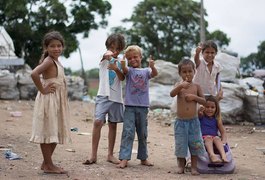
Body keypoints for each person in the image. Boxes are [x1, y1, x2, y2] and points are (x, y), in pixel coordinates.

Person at [30, 31, 71, 174]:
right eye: (52, 46)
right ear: (46, 48)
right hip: (49, 100)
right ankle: (49, 164)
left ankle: (46, 163)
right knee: (49, 130)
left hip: (57, 100)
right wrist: (42, 90)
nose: (56, 49)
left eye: (59, 46)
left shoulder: (57, 61)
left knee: (55, 130)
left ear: (63, 47)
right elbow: (34, 74)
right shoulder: (48, 60)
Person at [83, 34, 126, 165]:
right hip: (103, 95)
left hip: (116, 98)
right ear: (107, 47)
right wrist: (108, 55)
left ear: (121, 49)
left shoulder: (122, 61)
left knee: (113, 125)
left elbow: (122, 78)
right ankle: (93, 155)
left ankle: (110, 155)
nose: (114, 51)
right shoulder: (103, 58)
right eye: (112, 48)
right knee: (97, 122)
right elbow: (105, 55)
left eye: (118, 49)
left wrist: (116, 68)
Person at [116, 45, 158, 169]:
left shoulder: (146, 71)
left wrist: (152, 66)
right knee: (128, 132)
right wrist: (123, 63)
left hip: (143, 107)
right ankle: (124, 158)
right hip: (129, 107)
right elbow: (124, 70)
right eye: (130, 58)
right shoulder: (129, 70)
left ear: (141, 57)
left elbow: (155, 74)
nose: (133, 59)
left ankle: (143, 158)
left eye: (135, 57)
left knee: (143, 133)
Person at [170, 58, 206, 175]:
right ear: (180, 73)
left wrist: (194, 98)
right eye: (184, 72)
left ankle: (194, 167)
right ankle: (181, 165)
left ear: (194, 71)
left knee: (195, 144)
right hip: (180, 122)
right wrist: (180, 87)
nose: (187, 74)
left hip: (193, 122)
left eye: (190, 71)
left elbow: (204, 101)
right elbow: (172, 94)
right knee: (180, 144)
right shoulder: (178, 85)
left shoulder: (196, 87)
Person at [198, 95, 229, 163]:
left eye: (212, 107)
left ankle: (223, 156)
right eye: (207, 107)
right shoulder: (201, 117)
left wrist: (223, 141)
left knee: (217, 138)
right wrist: (200, 110)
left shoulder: (217, 119)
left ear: (216, 108)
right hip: (203, 140)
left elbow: (223, 132)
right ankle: (212, 155)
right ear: (203, 107)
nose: (210, 109)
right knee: (209, 137)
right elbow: (197, 114)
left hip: (214, 140)